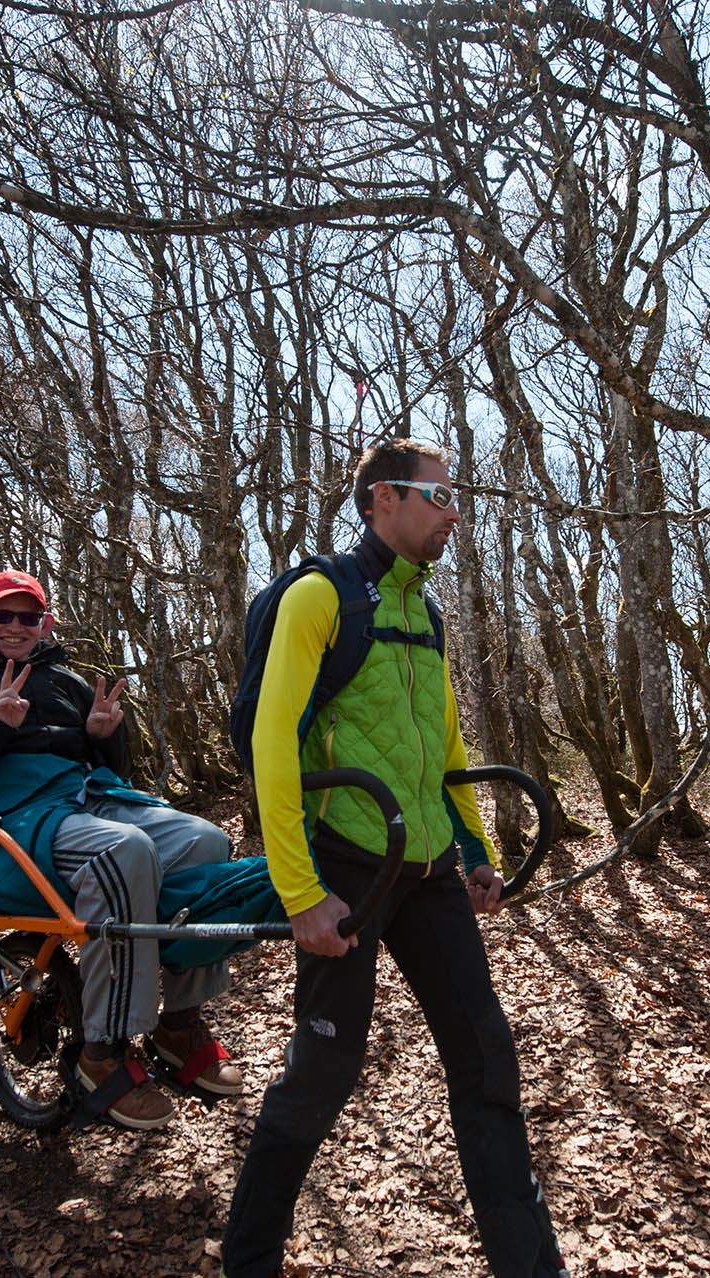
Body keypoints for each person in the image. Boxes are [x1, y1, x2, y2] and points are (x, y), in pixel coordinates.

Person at [221, 441, 567, 1277]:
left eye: (456, 497)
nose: (455, 512)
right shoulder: (319, 597)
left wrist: (474, 849)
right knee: (324, 1071)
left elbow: (444, 743)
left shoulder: (426, 610)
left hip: (430, 869)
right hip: (348, 870)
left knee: (486, 1060)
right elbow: (272, 744)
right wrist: (300, 892)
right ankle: (247, 1261)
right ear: (383, 498)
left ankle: (532, 1267)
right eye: (440, 495)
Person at [0, 569, 242, 1130]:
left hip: (83, 802)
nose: (14, 626)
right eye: (1, 615)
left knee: (206, 841)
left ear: (46, 624)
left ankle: (179, 1023)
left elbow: (112, 774)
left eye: (28, 617)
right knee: (122, 852)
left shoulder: (67, 682)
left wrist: (104, 738)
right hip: (2, 824)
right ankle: (102, 1053)